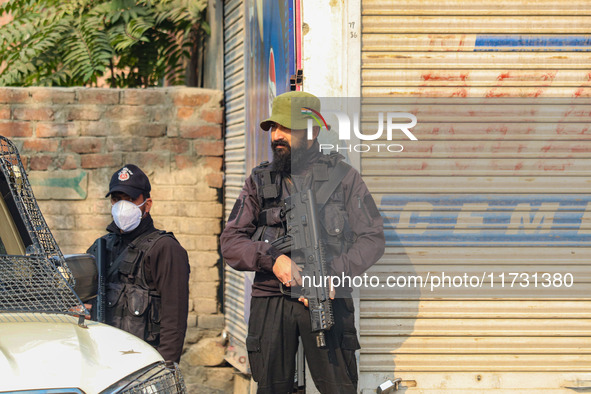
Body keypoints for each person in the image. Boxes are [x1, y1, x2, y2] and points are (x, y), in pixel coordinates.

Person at [220, 91, 385, 393]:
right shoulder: (259, 181)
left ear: (312, 132)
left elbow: (373, 238)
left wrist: (334, 274)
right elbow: (231, 241)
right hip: (272, 299)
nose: (276, 135)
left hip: (327, 298)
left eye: (286, 127)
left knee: (339, 388)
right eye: (273, 127)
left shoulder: (344, 178)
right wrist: (273, 259)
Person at [87, 164, 190, 365]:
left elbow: (174, 320)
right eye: (116, 199)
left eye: (130, 199)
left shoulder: (164, 249)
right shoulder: (101, 247)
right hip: (104, 359)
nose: (121, 206)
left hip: (143, 362)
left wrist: (165, 369)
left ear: (147, 204)